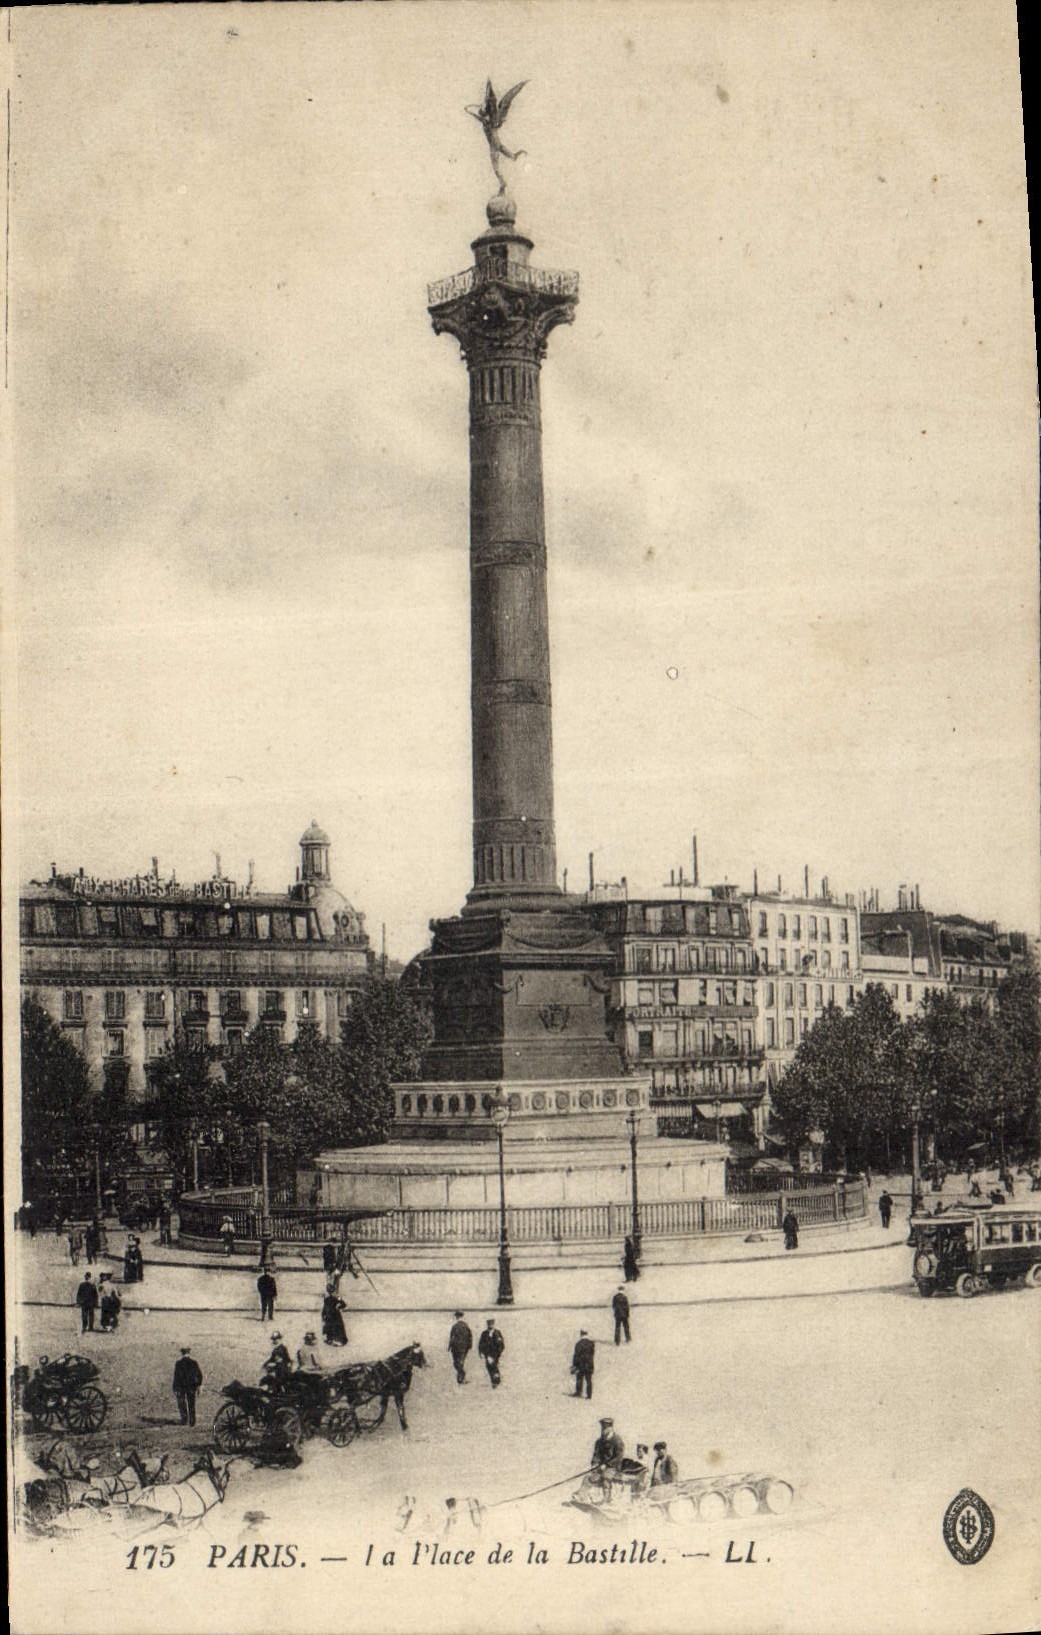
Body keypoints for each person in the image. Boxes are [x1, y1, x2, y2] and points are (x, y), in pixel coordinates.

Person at [173, 1347, 203, 1427]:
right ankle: (192, 1421)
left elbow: (176, 1377)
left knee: (182, 1404)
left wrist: (175, 1388)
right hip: (191, 1387)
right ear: (189, 1353)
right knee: (191, 1404)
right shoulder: (194, 1363)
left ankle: (184, 1420)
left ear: (182, 1353)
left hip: (181, 1387)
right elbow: (199, 1375)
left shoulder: (178, 1363)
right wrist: (199, 1385)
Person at [477, 1318, 505, 1388]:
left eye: (491, 1324)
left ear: (493, 1324)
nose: (490, 1325)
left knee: (494, 1366)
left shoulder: (497, 1333)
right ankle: (495, 1379)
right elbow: (480, 1344)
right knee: (489, 1367)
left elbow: (501, 1345)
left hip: (495, 1354)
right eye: (489, 1324)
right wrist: (480, 1352)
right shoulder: (484, 1333)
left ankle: (495, 1381)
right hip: (487, 1353)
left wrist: (499, 1353)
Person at [448, 1311, 473, 1384]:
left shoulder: (459, 1326)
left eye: (458, 1317)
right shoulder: (464, 1326)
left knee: (458, 1363)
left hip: (458, 1348)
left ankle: (461, 1378)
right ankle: (461, 1377)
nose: (457, 1318)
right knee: (458, 1363)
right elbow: (470, 1337)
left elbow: (452, 1337)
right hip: (461, 1348)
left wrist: (450, 1346)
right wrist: (469, 1346)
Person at [571, 1330, 595, 1399]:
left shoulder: (578, 1344)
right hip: (589, 1364)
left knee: (579, 1378)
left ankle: (578, 1392)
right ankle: (589, 1394)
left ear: (581, 1335)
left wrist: (574, 1365)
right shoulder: (591, 1343)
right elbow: (592, 1353)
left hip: (581, 1364)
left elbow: (576, 1355)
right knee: (589, 1380)